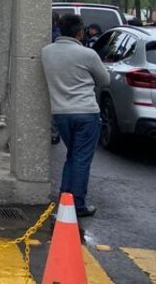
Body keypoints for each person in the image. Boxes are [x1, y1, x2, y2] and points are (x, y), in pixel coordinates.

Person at [41, 14, 109, 217]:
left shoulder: (46, 52)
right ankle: (77, 203)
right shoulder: (87, 54)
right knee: (81, 160)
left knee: (72, 157)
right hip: (86, 112)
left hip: (61, 113)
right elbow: (104, 80)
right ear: (80, 32)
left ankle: (65, 198)